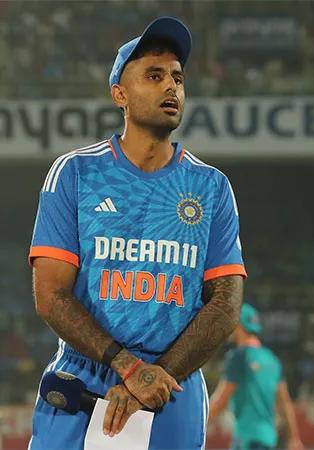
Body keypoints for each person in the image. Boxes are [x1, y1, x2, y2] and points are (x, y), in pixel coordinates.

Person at [28, 16, 247, 450]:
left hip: (172, 384)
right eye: (154, 75)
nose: (171, 87)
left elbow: (226, 304)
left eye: (178, 78)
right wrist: (128, 368)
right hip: (85, 377)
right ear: (120, 94)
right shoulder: (75, 173)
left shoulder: (211, 186)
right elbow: (50, 295)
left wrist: (156, 374)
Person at [208, 304, 304, 450]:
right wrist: (294, 439)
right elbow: (285, 403)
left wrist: (197, 426)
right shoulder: (272, 359)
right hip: (268, 438)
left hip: (247, 439)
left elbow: (221, 400)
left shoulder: (239, 357)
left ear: (238, 324)